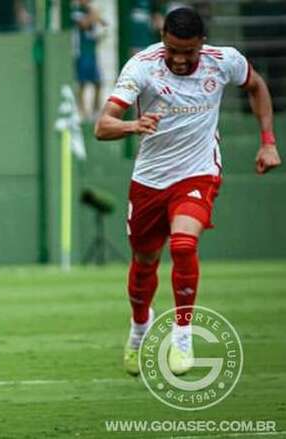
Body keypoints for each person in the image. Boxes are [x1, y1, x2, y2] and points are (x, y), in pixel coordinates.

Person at [95, 8, 281, 376]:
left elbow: (256, 86)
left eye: (188, 52)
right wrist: (133, 124)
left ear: (202, 44)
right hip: (149, 180)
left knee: (183, 245)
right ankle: (139, 330)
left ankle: (182, 335)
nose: (179, 60)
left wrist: (268, 141)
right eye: (172, 50)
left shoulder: (224, 62)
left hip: (197, 173)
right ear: (163, 40)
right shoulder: (142, 66)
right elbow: (103, 125)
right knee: (145, 261)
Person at [71, 0, 107, 120]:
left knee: (98, 83)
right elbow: (84, 24)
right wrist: (94, 15)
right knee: (82, 83)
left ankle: (95, 111)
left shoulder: (90, 11)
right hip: (81, 52)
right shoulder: (75, 11)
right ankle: (82, 112)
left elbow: (104, 25)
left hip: (92, 52)